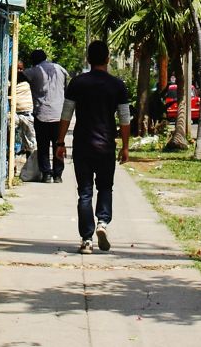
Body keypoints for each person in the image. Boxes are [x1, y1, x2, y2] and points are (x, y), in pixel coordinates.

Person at [55, 40, 130, 252]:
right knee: (105, 187)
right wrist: (125, 146)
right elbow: (125, 119)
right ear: (107, 59)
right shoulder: (117, 86)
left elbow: (66, 114)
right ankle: (103, 223)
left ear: (88, 59)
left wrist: (60, 142)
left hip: (83, 146)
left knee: (85, 192)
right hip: (106, 146)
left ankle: (86, 239)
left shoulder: (77, 83)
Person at [23, 48, 69, 182]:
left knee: (43, 146)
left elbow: (20, 77)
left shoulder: (34, 70)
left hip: (41, 114)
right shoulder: (59, 68)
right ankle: (58, 175)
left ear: (33, 60)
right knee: (58, 144)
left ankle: (47, 174)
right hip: (59, 114)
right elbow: (65, 88)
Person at [13, 62, 37, 157]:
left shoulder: (27, 82)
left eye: (20, 69)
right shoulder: (10, 82)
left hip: (28, 113)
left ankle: (30, 160)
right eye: (16, 69)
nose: (18, 71)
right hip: (15, 114)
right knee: (13, 136)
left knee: (30, 140)